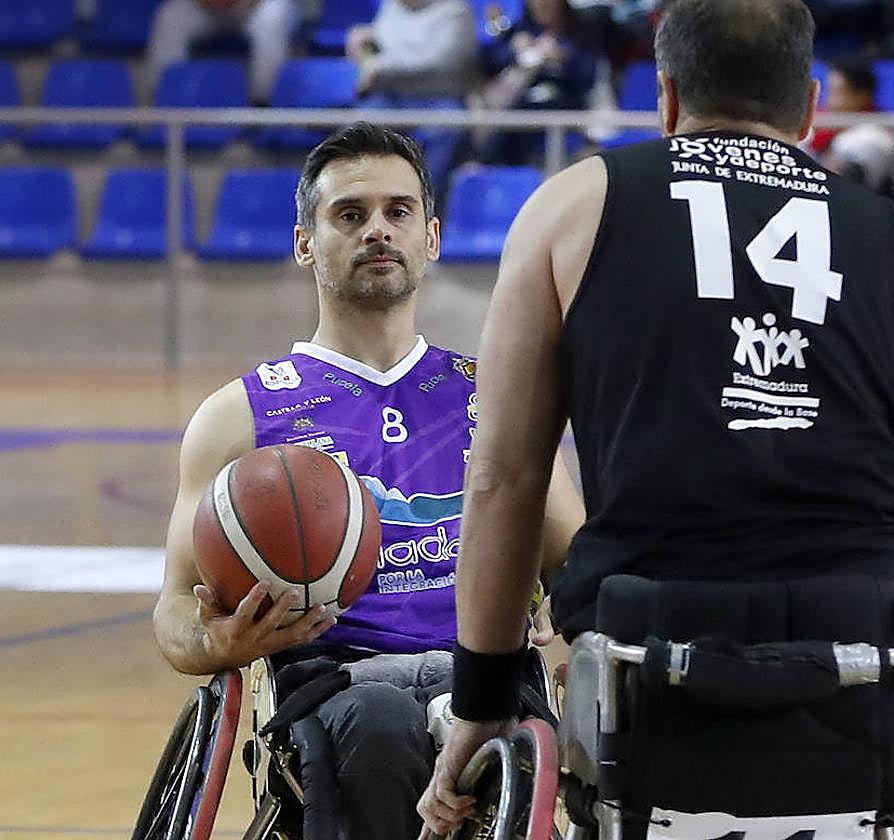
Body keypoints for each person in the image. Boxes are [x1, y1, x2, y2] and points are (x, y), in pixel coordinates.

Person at [419, 0, 894, 833]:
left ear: (666, 97)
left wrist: (481, 704)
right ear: (811, 107)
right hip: (858, 648)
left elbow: (504, 476)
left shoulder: (575, 207)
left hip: (653, 643)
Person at [153, 122, 584, 840]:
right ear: (305, 244)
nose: (377, 230)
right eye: (349, 216)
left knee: (484, 713)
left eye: (398, 212)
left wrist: (568, 596)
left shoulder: (497, 398)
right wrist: (218, 644)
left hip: (479, 670)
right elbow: (173, 608)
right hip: (335, 683)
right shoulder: (237, 417)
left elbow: (574, 559)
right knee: (381, 725)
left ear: (432, 236)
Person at [346, 0, 477, 208]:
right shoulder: (391, 7)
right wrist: (366, 43)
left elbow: (438, 59)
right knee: (359, 126)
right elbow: (379, 48)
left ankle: (421, 203)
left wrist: (379, 65)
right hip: (391, 97)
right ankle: (362, 202)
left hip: (438, 97)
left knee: (447, 126)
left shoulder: (455, 10)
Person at [479, 0, 600, 165]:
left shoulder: (580, 32)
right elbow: (490, 60)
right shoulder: (520, 30)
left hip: (566, 115)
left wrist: (562, 58)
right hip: (520, 119)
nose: (543, 4)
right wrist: (515, 52)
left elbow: (587, 76)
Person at [147, 0, 299, 105]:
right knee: (170, 16)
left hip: (260, 5)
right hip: (206, 7)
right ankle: (165, 97)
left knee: (271, 20)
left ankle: (262, 103)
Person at [807, 58, 894, 195]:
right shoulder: (818, 128)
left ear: (862, 96)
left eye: (838, 92)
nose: (830, 101)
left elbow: (837, 182)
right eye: (829, 91)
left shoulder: (876, 137)